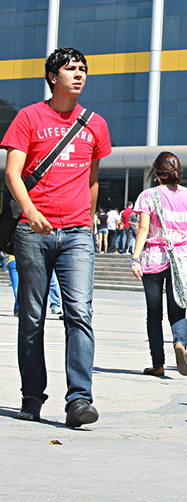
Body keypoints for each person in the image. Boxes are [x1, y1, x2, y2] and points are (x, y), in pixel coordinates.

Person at [2, 46, 111, 427]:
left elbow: (92, 179)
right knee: (32, 317)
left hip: (78, 232)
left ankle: (80, 400)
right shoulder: (29, 117)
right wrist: (30, 212)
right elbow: (13, 173)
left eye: (82, 69)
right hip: (32, 232)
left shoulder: (94, 123)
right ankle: (32, 395)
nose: (78, 75)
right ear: (53, 77)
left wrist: (89, 222)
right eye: (70, 69)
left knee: (80, 311)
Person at [130, 152, 187, 377]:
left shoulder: (147, 196)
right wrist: (185, 250)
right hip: (179, 259)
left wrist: (135, 257)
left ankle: (158, 364)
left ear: (157, 173)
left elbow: (142, 229)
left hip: (153, 259)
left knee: (154, 314)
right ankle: (180, 344)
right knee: (178, 311)